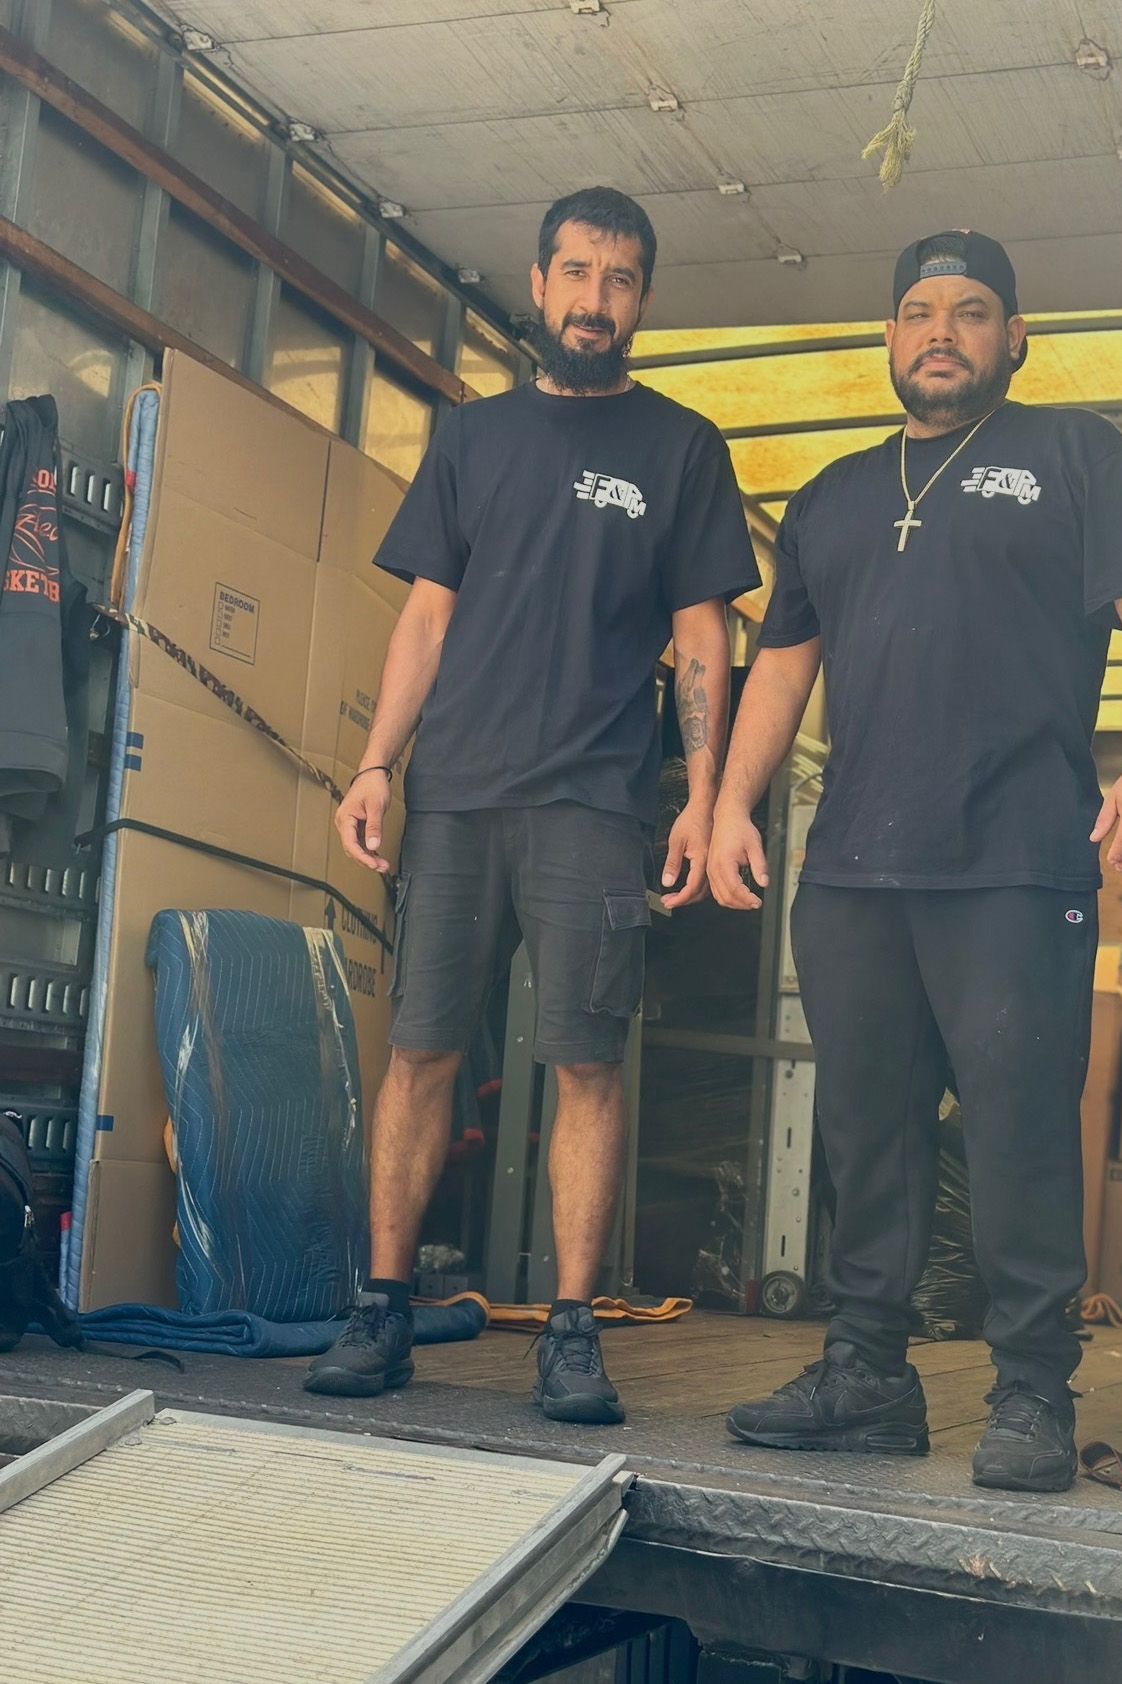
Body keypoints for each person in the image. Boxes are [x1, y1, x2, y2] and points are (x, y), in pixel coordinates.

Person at [709, 230, 1122, 1492]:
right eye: (919, 310)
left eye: (971, 311)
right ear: (888, 337)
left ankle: (1032, 1388)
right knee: (869, 1132)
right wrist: (724, 805)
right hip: (858, 867)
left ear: (1014, 336)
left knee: (1017, 1126)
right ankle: (868, 1372)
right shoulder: (832, 495)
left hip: (1017, 858)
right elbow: (781, 666)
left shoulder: (1079, 457)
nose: (941, 330)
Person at [306, 186, 760, 1419]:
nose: (594, 301)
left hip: (595, 806)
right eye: (576, 274)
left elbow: (703, 637)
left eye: (619, 280)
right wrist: (376, 764)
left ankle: (568, 1332)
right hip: (454, 799)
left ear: (642, 299)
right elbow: (426, 618)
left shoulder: (681, 447)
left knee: (587, 1065)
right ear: (541, 278)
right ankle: (383, 1311)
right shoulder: (470, 438)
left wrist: (702, 794)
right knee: (419, 1053)